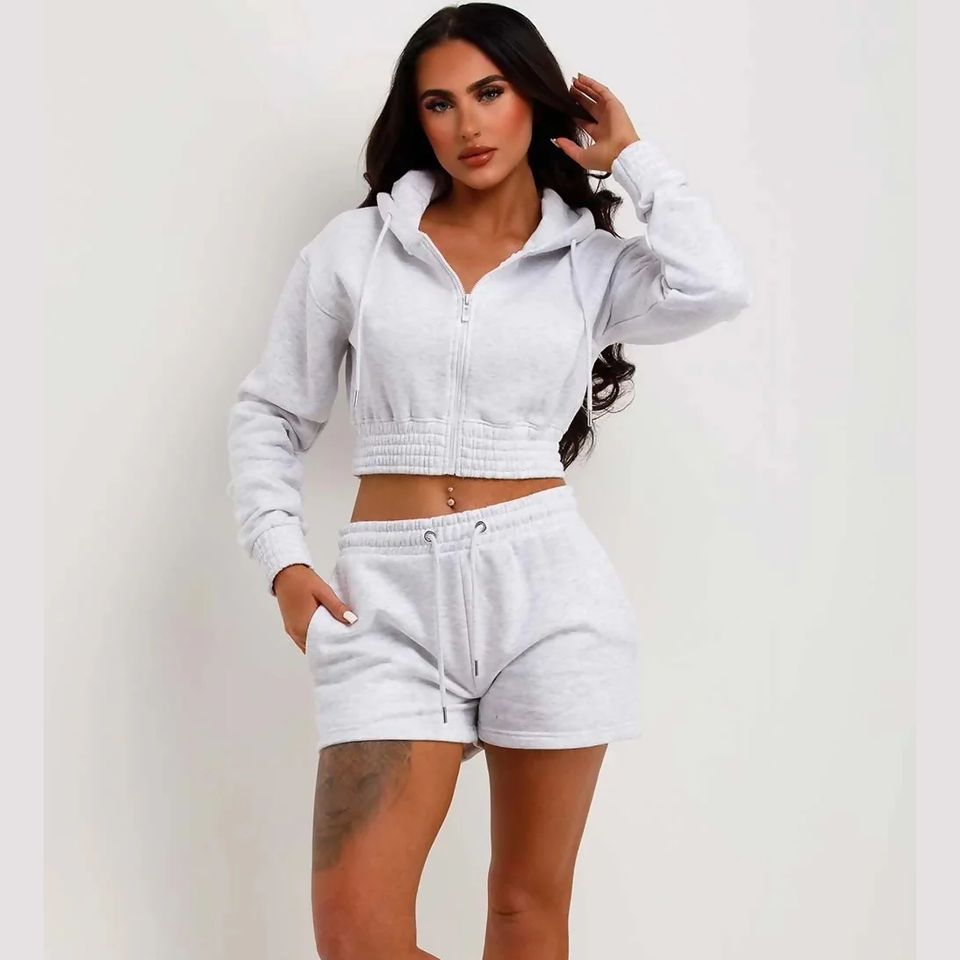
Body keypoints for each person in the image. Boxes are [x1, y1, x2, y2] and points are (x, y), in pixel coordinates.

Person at [226, 4, 751, 956]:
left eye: (490, 92)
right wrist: (282, 561)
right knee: (356, 936)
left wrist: (632, 161)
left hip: (547, 598)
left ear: (533, 101)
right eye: (439, 103)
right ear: (416, 119)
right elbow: (270, 411)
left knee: (524, 911)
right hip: (385, 605)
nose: (467, 124)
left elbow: (717, 285)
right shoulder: (355, 249)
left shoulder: (590, 264)